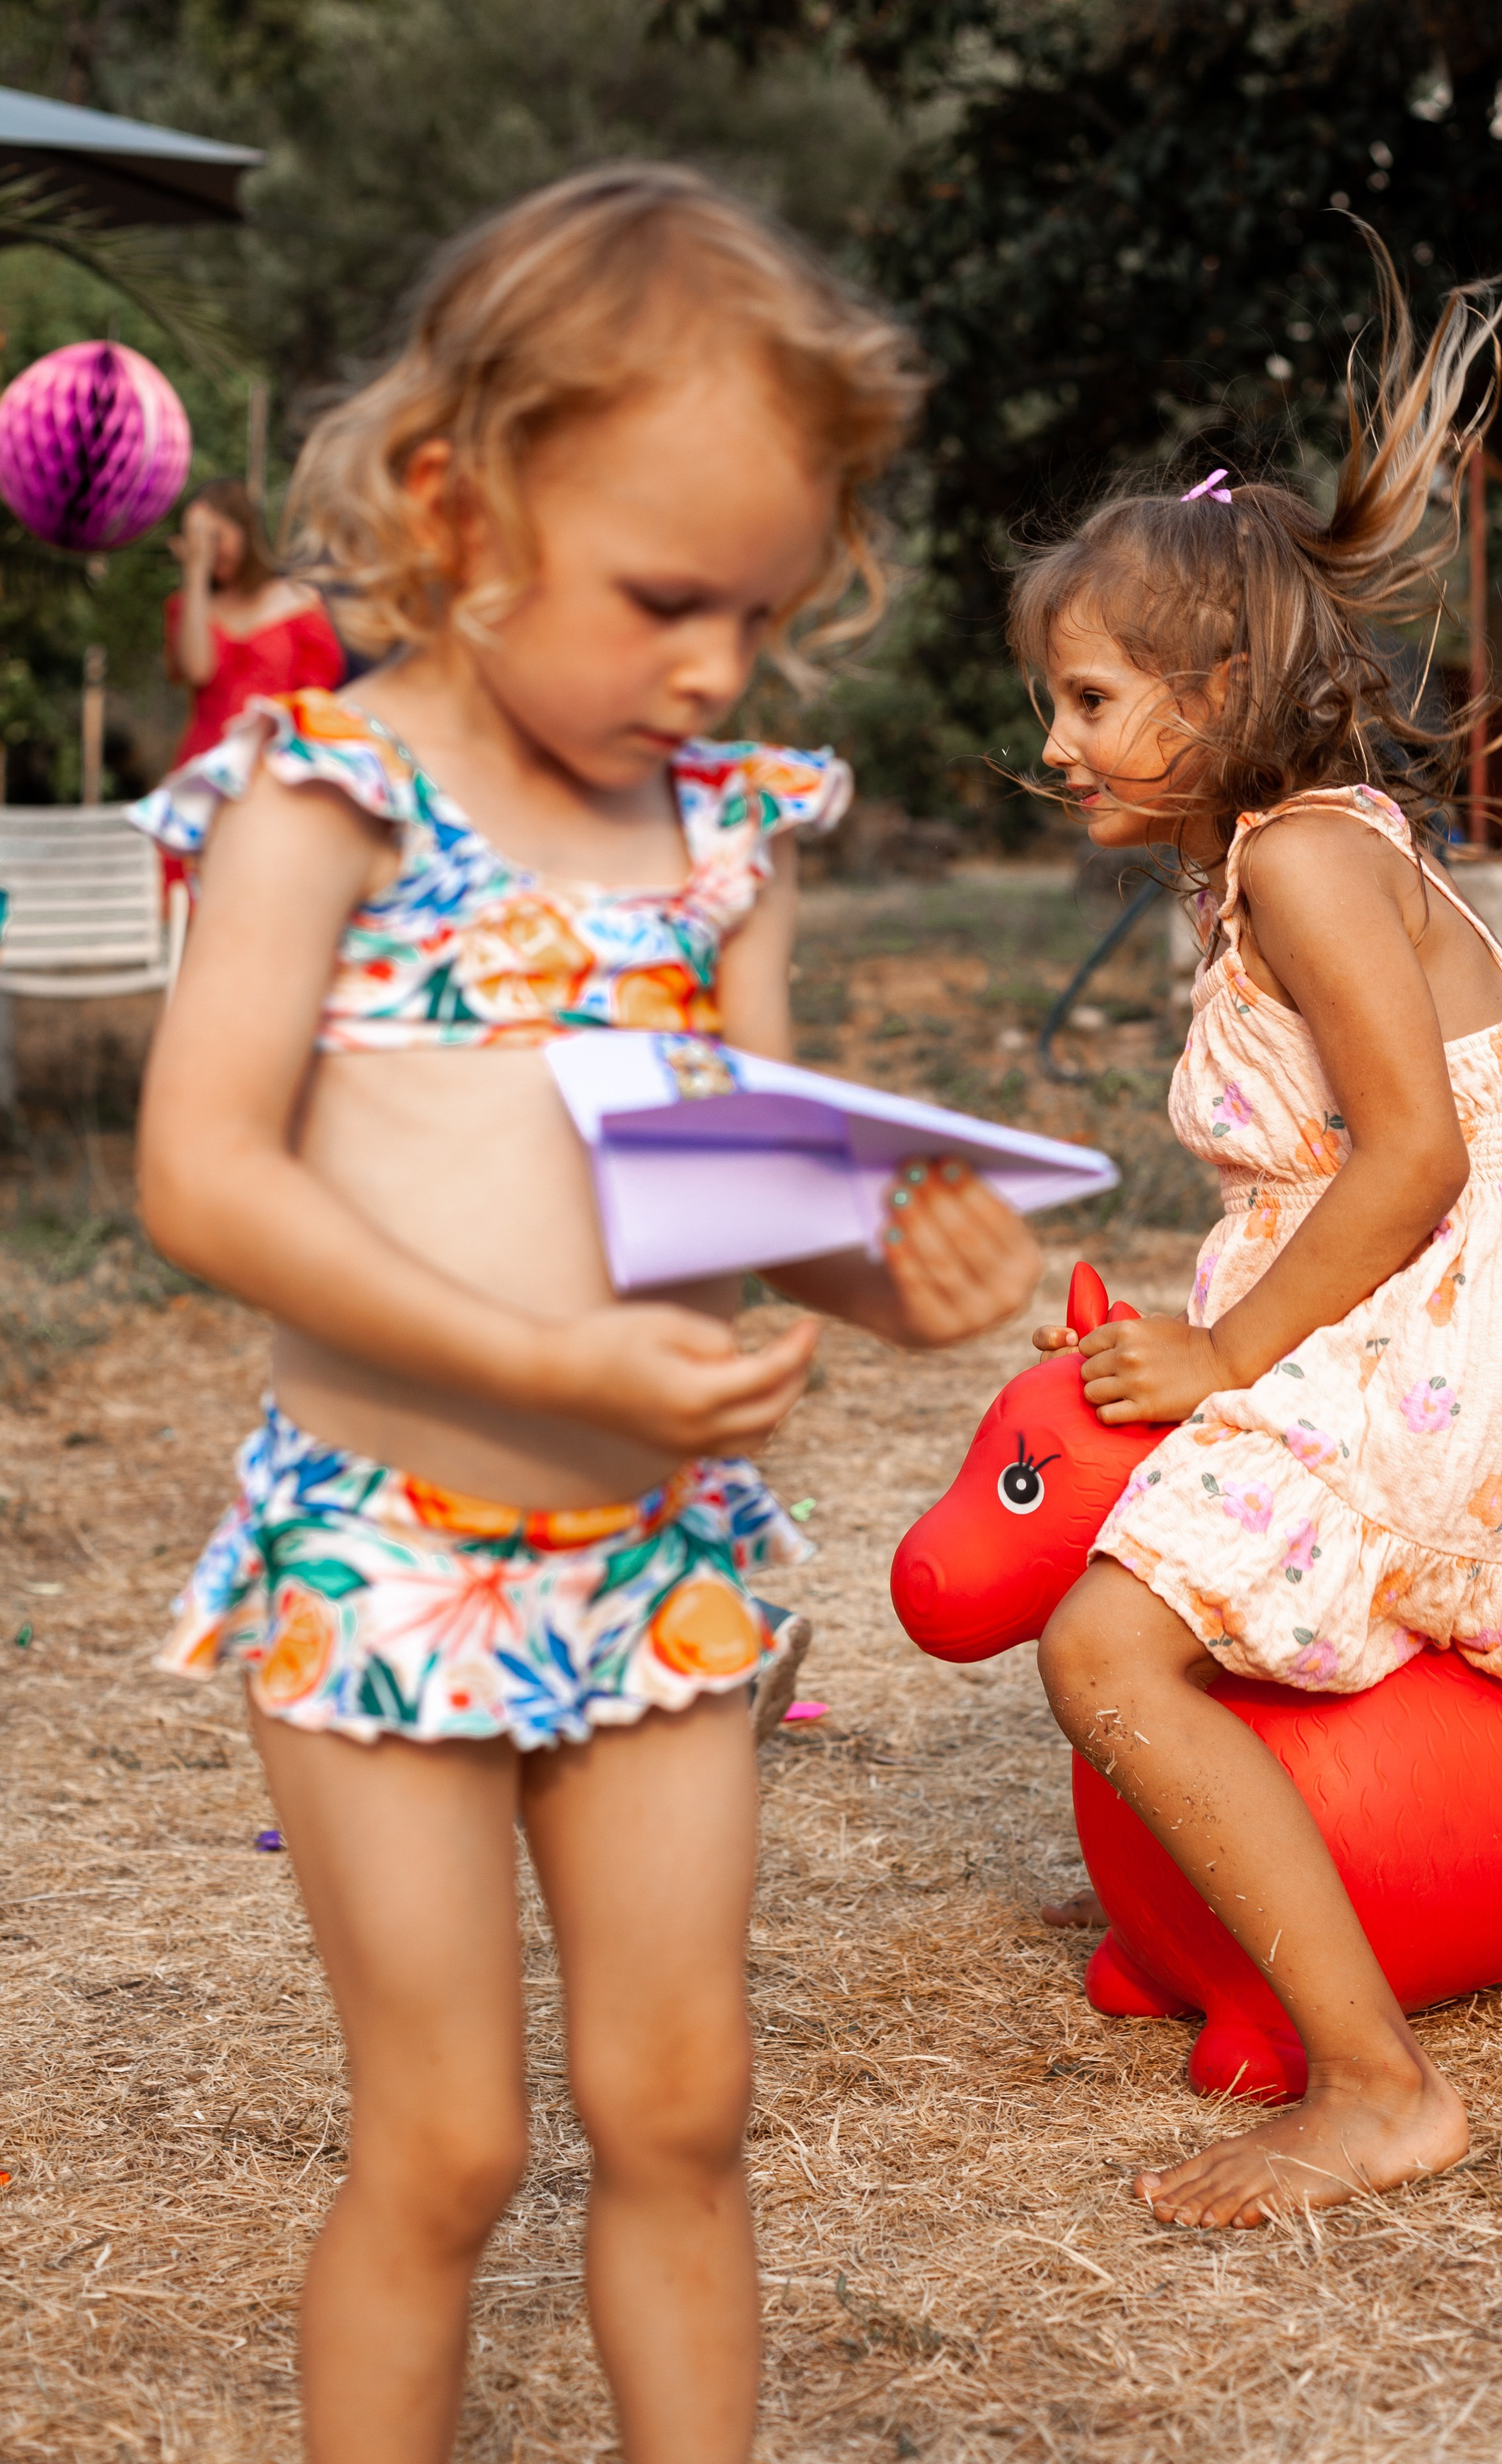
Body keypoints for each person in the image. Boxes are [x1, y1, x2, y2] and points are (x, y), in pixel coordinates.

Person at [129, 165, 1041, 2464]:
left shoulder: (722, 834)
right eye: (663, 601)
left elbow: (741, 1180)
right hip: (381, 1556)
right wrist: (540, 1361)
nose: (716, 667)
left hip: (655, 1567)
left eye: (758, 608)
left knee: (682, 2109)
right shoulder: (326, 798)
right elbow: (203, 1172)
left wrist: (889, 1268)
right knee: (446, 2148)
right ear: (458, 502)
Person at [1014, 242, 1502, 2235]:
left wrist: (1226, 1359)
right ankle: (1246, 1895)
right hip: (1406, 1307)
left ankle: (1380, 2087)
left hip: (1438, 1321)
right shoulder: (1272, 856)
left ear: (1216, 696)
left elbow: (1413, 1160)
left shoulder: (1310, 858)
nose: (1054, 741)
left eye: (1089, 699)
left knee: (1102, 1646)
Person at [165, 476, 344, 763]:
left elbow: (319, 701)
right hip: (207, 762)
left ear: (244, 530)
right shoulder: (189, 607)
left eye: (215, 538)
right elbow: (197, 672)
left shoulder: (299, 601)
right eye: (197, 541)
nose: (208, 552)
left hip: (278, 762)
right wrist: (195, 571)